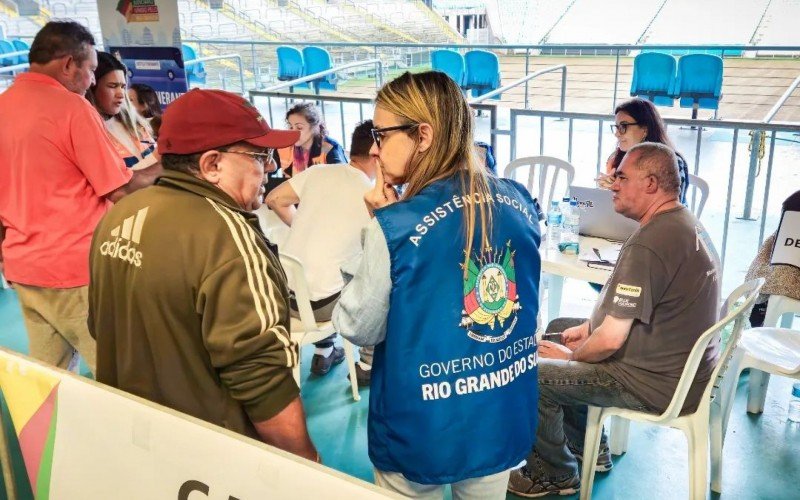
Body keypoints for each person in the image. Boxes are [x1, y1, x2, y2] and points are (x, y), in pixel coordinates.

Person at [333, 71, 542, 498]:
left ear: (423, 135)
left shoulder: (396, 225)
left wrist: (377, 227)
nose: (373, 148)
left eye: (381, 133)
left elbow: (360, 327)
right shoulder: (520, 203)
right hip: (498, 412)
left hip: (421, 423)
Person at [88, 88, 318, 461]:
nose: (270, 168)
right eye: (260, 156)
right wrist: (309, 468)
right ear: (212, 164)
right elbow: (262, 380)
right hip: (212, 457)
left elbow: (102, 326)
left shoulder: (119, 215)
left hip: (136, 443)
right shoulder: (229, 238)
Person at [507, 142, 721, 497]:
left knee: (533, 373)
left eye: (621, 177)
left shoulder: (650, 243)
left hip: (653, 384)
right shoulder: (683, 222)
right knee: (561, 328)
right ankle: (586, 447)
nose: (612, 185)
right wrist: (587, 330)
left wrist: (572, 359)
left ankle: (553, 474)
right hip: (679, 366)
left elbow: (610, 341)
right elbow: (628, 313)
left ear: (651, 184)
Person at [0, 21, 144, 374]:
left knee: (49, 379)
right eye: (92, 70)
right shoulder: (73, 109)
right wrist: (170, 168)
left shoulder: (3, 105)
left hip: (24, 267)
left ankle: (46, 432)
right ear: (68, 65)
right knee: (119, 373)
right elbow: (119, 189)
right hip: (76, 270)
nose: (93, 81)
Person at [266, 120, 376, 381]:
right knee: (379, 279)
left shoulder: (318, 173)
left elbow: (273, 199)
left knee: (329, 273)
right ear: (377, 154)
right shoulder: (371, 194)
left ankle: (325, 350)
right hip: (324, 309)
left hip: (286, 299)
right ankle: (369, 365)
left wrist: (302, 227)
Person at [86, 52, 160, 183]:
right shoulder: (87, 132)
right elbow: (118, 183)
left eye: (123, 86)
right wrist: (157, 157)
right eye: (112, 86)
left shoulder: (135, 122)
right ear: (92, 88)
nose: (121, 94)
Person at [599, 98, 690, 204]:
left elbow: (672, 208)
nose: (617, 133)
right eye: (616, 127)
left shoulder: (672, 162)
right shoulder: (617, 158)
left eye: (623, 126)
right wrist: (610, 188)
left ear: (645, 129)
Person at [745, 189, 800, 327]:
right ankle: (765, 306)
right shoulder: (794, 201)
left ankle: (763, 306)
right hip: (781, 273)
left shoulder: (793, 200)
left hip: (776, 274)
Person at [277, 102, 347, 177]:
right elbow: (270, 166)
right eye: (291, 127)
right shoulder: (285, 146)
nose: (293, 132)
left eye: (299, 128)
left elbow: (342, 178)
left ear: (314, 127)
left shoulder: (330, 149)